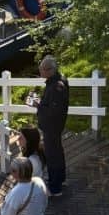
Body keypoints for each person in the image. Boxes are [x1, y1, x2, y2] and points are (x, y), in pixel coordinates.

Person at [36, 54, 69, 196]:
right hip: (54, 126)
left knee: (52, 155)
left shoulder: (57, 87)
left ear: (49, 70)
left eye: (41, 70)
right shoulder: (57, 81)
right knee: (57, 152)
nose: (40, 72)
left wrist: (38, 105)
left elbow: (54, 111)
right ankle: (59, 179)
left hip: (52, 126)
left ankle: (55, 188)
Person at [18, 125, 47, 215]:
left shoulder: (30, 161)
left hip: (31, 198)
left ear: (28, 140)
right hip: (38, 194)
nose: (18, 139)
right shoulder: (36, 155)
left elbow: (23, 181)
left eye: (21, 137)